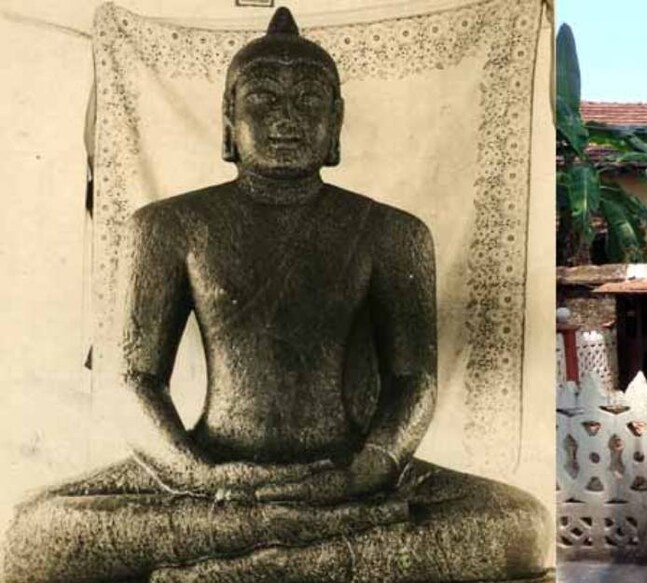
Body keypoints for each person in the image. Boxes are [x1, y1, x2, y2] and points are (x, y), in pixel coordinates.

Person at [3, 9, 549, 583]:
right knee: (33, 532)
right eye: (264, 98)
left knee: (523, 521)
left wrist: (365, 471)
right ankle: (317, 558)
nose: (288, 118)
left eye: (310, 101)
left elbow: (414, 383)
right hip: (212, 473)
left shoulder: (394, 234)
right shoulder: (168, 226)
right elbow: (133, 379)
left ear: (336, 123)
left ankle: (260, 561)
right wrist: (199, 477)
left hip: (349, 476)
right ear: (228, 123)